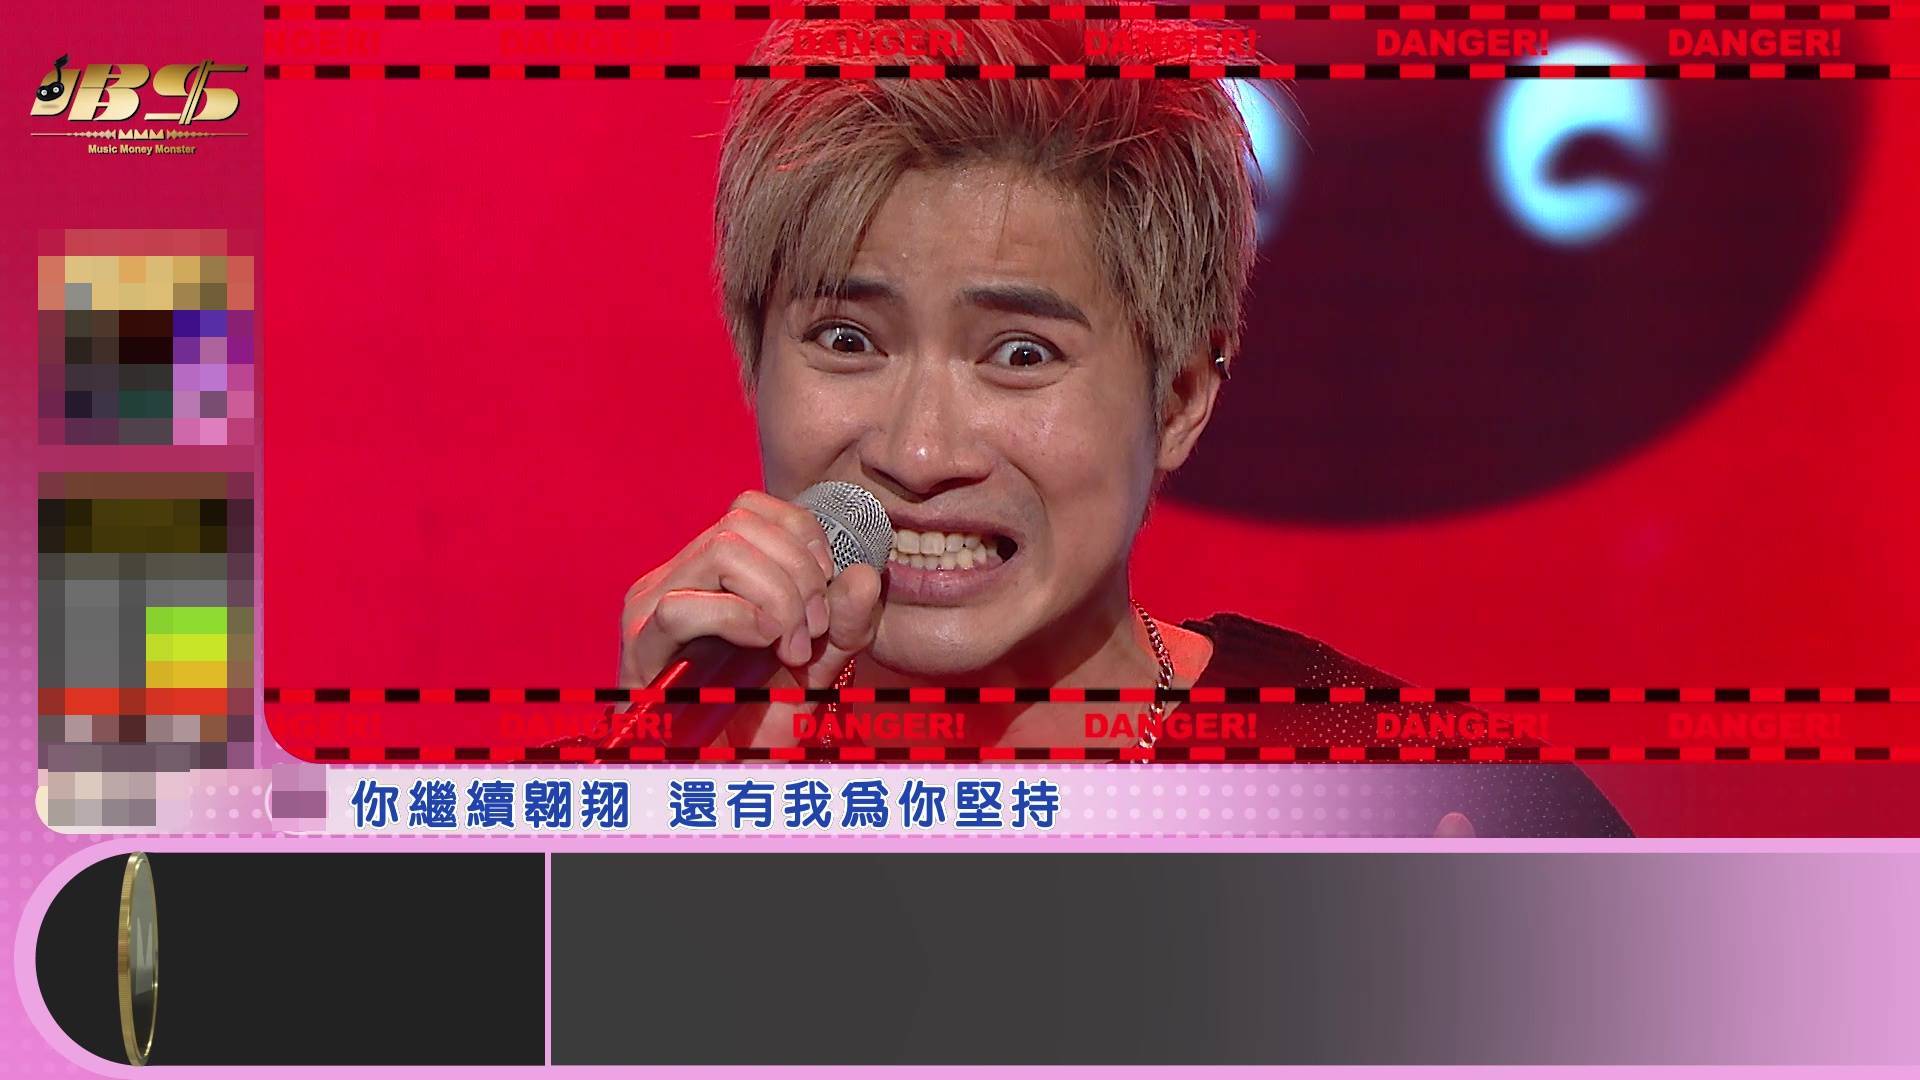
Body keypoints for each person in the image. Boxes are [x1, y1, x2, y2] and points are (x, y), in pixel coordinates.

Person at [610, 12, 1631, 836]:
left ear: (1179, 399)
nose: (917, 454)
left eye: (1021, 354)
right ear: (752, 360)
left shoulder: (1422, 799)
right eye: (848, 340)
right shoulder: (678, 787)